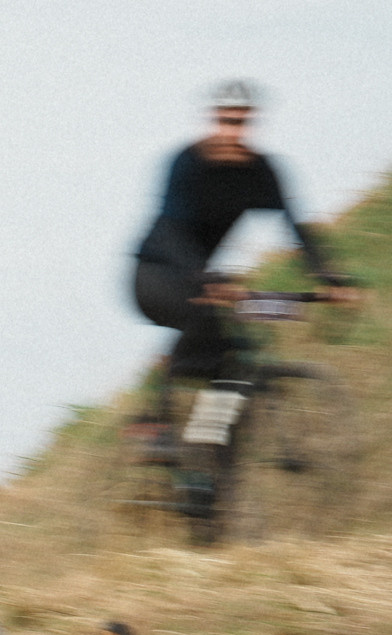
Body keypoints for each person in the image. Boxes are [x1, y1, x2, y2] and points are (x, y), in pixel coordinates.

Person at [130, 80, 352, 397]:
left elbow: (295, 224)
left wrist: (328, 275)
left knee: (233, 357)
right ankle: (156, 417)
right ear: (213, 120)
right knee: (204, 325)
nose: (233, 132)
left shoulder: (260, 170)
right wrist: (208, 276)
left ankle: (216, 436)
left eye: (241, 122)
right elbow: (172, 231)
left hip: (201, 276)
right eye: (226, 121)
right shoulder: (187, 163)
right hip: (156, 274)